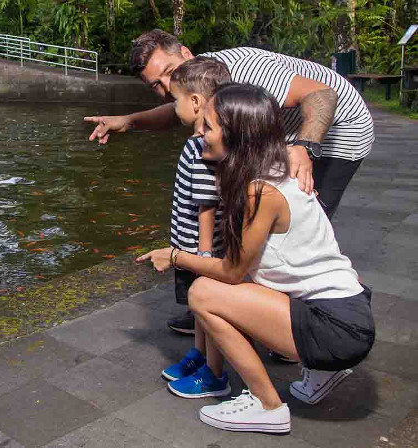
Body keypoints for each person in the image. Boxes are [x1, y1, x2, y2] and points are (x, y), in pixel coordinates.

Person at [86, 29, 374, 336]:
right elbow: (178, 109)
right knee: (253, 227)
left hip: (335, 131)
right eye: (156, 84)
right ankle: (224, 306)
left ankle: (319, 319)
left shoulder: (247, 73)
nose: (168, 88)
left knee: (296, 232)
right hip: (281, 136)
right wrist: (129, 121)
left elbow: (323, 94)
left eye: (169, 74)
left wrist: (306, 147)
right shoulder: (201, 81)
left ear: (185, 53)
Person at [137, 83, 374, 434]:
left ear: (236, 136)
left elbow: (231, 273)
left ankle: (267, 405)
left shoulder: (259, 190)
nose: (199, 132)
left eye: (209, 126)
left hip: (336, 328)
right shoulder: (274, 172)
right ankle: (322, 373)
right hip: (349, 310)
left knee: (203, 292)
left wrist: (175, 257)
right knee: (230, 284)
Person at [160, 57, 231, 399]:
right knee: (198, 311)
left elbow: (206, 204)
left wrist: (202, 254)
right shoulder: (208, 141)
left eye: (174, 100)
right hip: (195, 247)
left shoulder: (199, 146)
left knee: (206, 309)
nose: (172, 107)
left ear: (195, 101)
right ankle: (199, 356)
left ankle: (213, 373)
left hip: (197, 248)